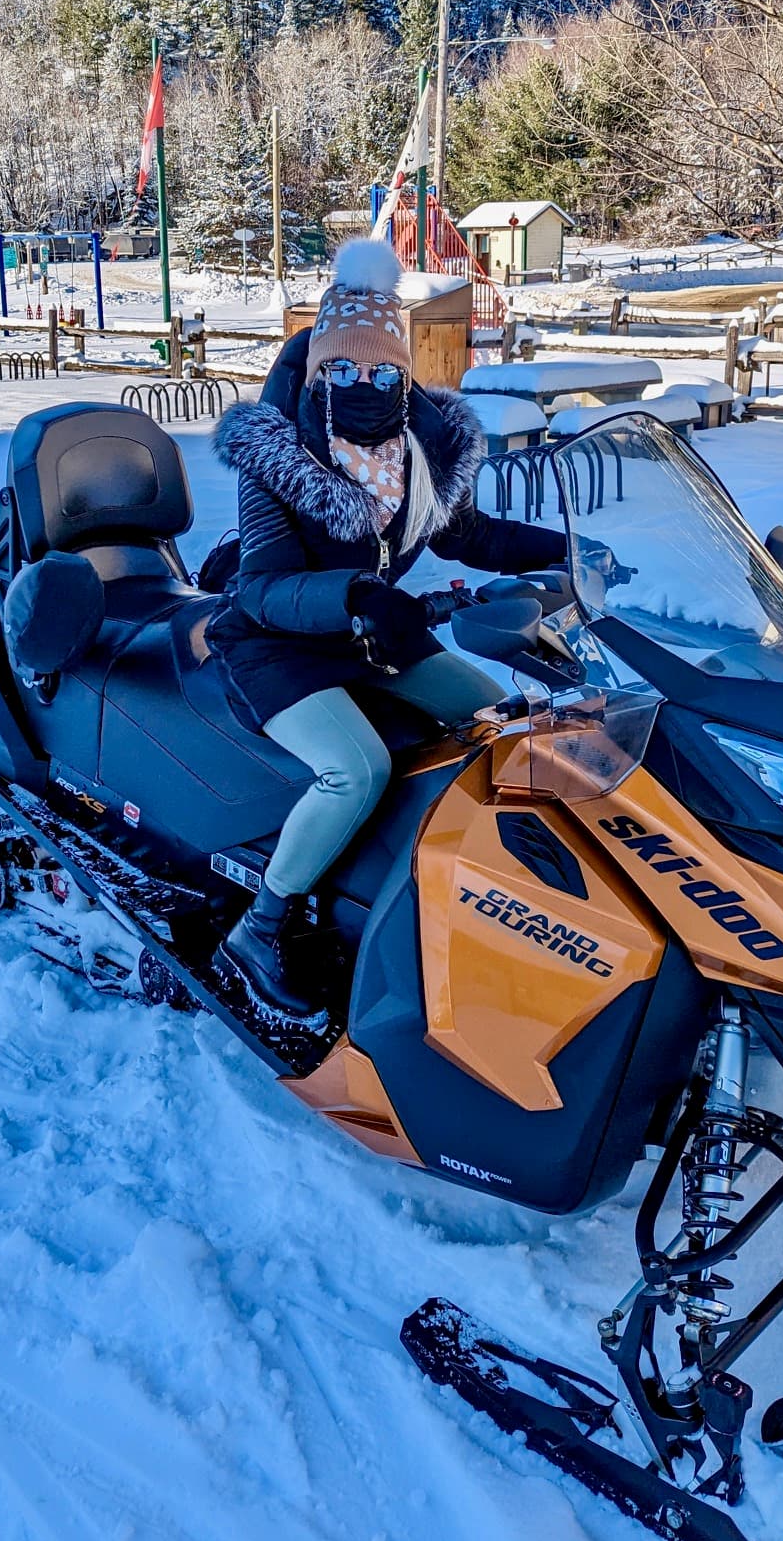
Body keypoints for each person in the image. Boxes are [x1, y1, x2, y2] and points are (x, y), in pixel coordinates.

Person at [209, 240, 567, 1022]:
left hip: (370, 630)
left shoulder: (418, 450)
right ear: (316, 375)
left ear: (404, 379)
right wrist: (359, 596)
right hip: (278, 642)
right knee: (355, 769)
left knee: (497, 717)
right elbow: (264, 587)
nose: (363, 386)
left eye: (381, 373)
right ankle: (261, 924)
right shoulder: (275, 457)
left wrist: (566, 548)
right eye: (342, 372)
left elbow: (467, 535)